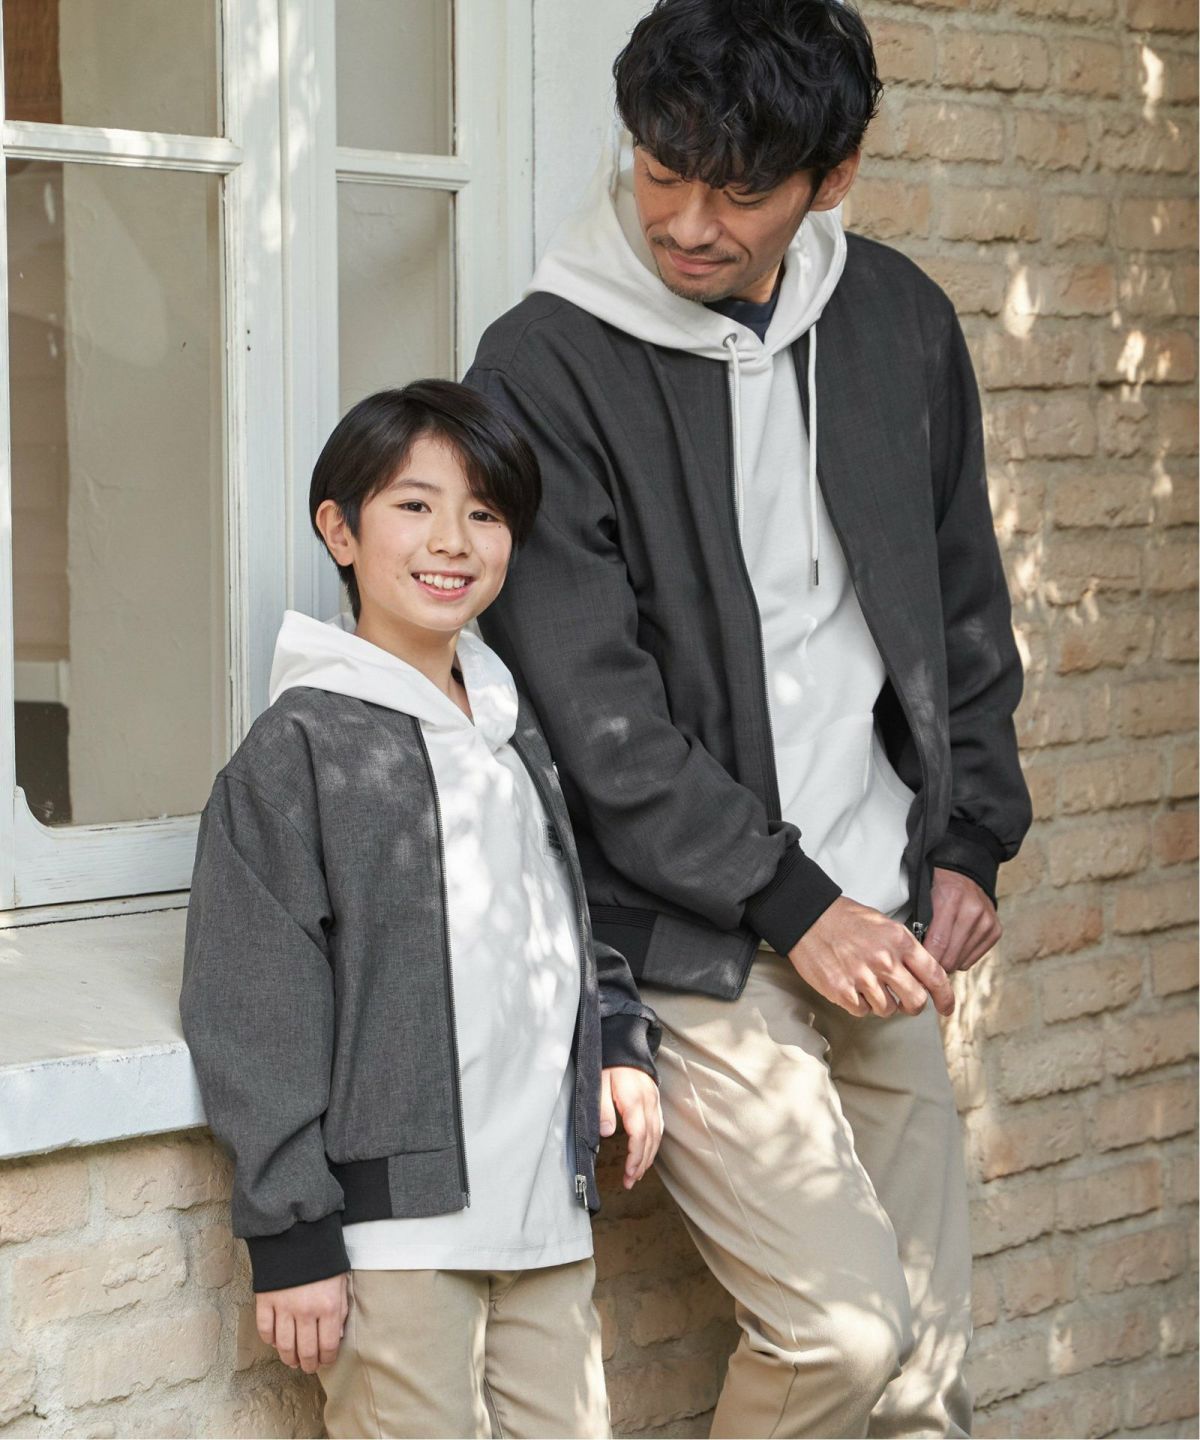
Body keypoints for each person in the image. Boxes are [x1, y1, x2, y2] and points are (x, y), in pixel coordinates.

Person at [465, 1, 1032, 1434]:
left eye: (738, 191)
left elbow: (964, 605)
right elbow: (595, 712)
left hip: (881, 906)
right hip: (692, 932)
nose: (688, 222)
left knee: (923, 1379)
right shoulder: (545, 363)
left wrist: (969, 840)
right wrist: (793, 902)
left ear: (832, 178)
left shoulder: (896, 322)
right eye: (662, 171)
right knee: (841, 1336)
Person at [179, 380, 662, 1440]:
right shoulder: (301, 751)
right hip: (397, 1240)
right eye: (414, 505)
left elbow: (564, 925)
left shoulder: (510, 728)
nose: (453, 541)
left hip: (544, 1213)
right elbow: (253, 1005)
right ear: (339, 530)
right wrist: (293, 1236)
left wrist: (618, 1042)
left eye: (484, 513)